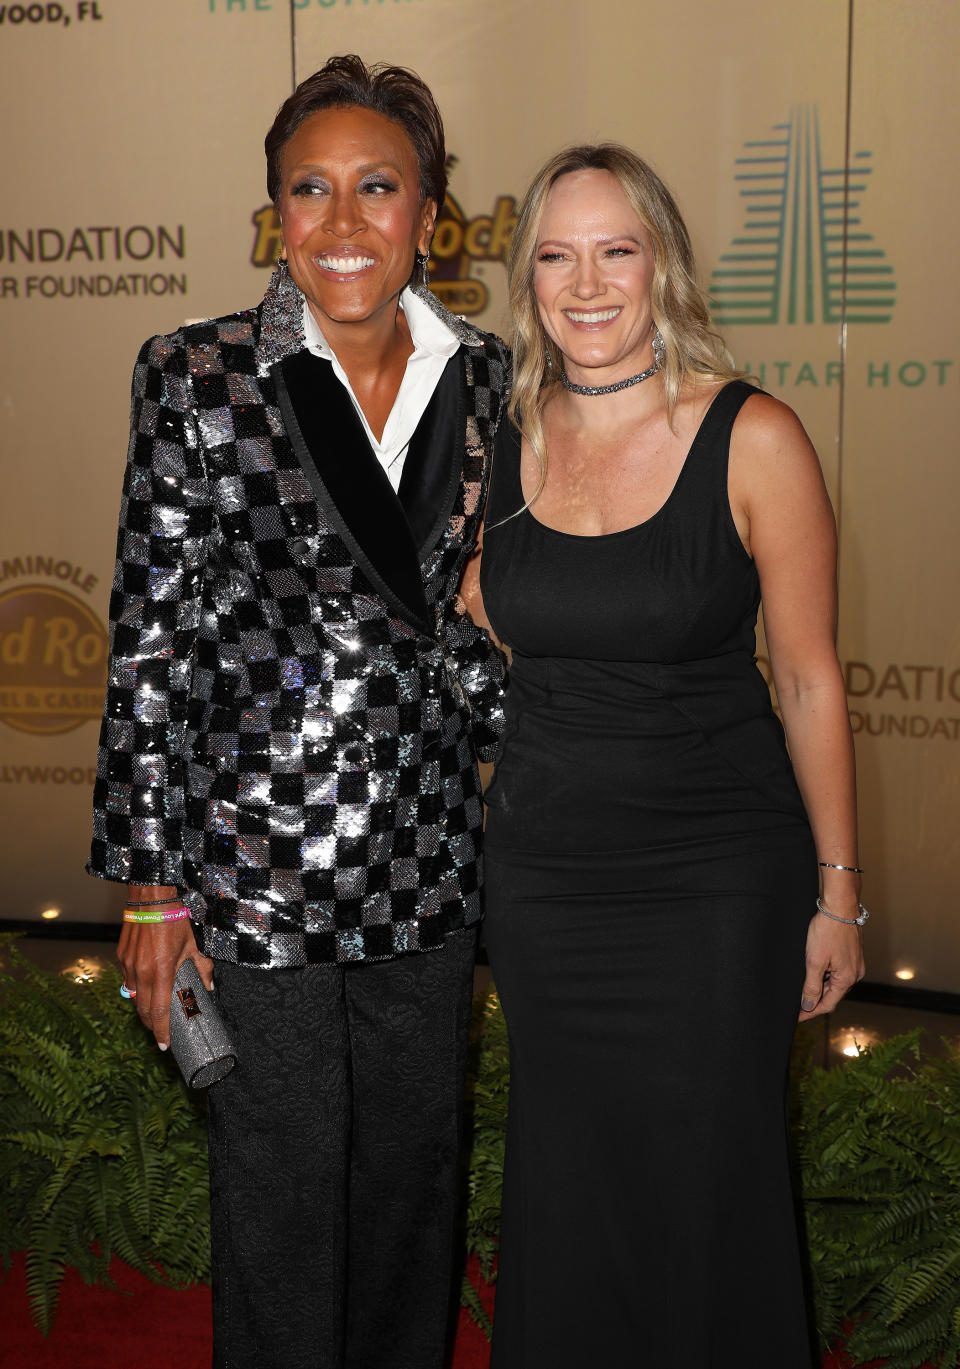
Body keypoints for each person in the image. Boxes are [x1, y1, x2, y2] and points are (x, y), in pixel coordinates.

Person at [87, 55, 510, 1369]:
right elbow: (147, 645)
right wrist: (153, 891)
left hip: (429, 860)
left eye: (375, 188)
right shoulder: (198, 376)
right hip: (252, 871)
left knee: (412, 1196)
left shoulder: (494, 379)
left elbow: (494, 624)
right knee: (275, 1204)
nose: (340, 224)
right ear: (274, 212)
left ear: (430, 212)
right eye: (306, 192)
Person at [468, 144, 865, 1368]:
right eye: (555, 255)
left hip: (712, 884)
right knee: (569, 1188)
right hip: (544, 884)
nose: (586, 284)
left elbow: (805, 678)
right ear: (527, 275)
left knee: (706, 1189)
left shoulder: (754, 438)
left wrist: (838, 891)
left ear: (663, 265)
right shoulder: (497, 441)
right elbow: (459, 632)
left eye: (615, 250)